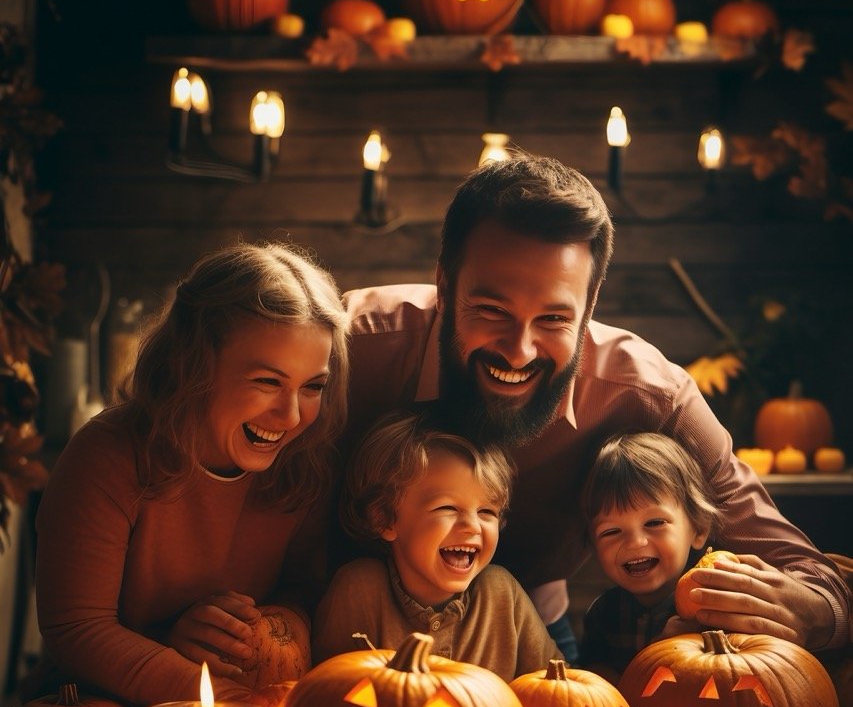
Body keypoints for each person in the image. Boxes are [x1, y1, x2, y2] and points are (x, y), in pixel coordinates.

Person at [333, 152, 851, 661]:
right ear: (445, 283)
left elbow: (806, 572)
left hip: (527, 626)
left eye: (555, 319)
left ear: (591, 303)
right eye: (492, 310)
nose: (520, 350)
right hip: (349, 626)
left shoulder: (652, 395)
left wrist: (810, 611)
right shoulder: (342, 349)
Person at [34, 241, 349, 707]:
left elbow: (302, 591)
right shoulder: (107, 455)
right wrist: (214, 691)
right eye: (267, 381)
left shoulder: (305, 464)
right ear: (192, 366)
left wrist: (272, 628)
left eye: (312, 387)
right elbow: (76, 628)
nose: (290, 415)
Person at [312, 409, 561, 681]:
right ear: (384, 518)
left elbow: (558, 691)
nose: (472, 526)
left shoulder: (502, 593)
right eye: (447, 507)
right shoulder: (359, 589)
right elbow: (324, 694)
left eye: (487, 512)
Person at [578, 432, 723, 677]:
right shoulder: (603, 614)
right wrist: (661, 649)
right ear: (593, 545)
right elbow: (600, 692)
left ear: (699, 528)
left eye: (655, 523)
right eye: (611, 531)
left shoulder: (711, 605)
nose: (635, 543)